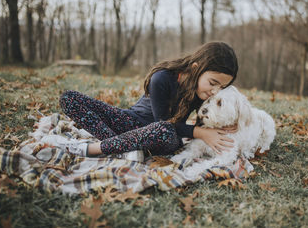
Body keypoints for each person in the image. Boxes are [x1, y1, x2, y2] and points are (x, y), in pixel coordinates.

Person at [53, 41, 239, 160]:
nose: (216, 91)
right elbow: (163, 121)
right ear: (196, 68)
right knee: (69, 98)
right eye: (213, 83)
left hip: (163, 139)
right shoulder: (162, 78)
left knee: (164, 130)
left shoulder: (204, 94)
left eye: (221, 88)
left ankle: (95, 149)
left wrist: (225, 127)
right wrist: (199, 132)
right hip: (131, 123)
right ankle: (122, 148)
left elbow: (172, 128)